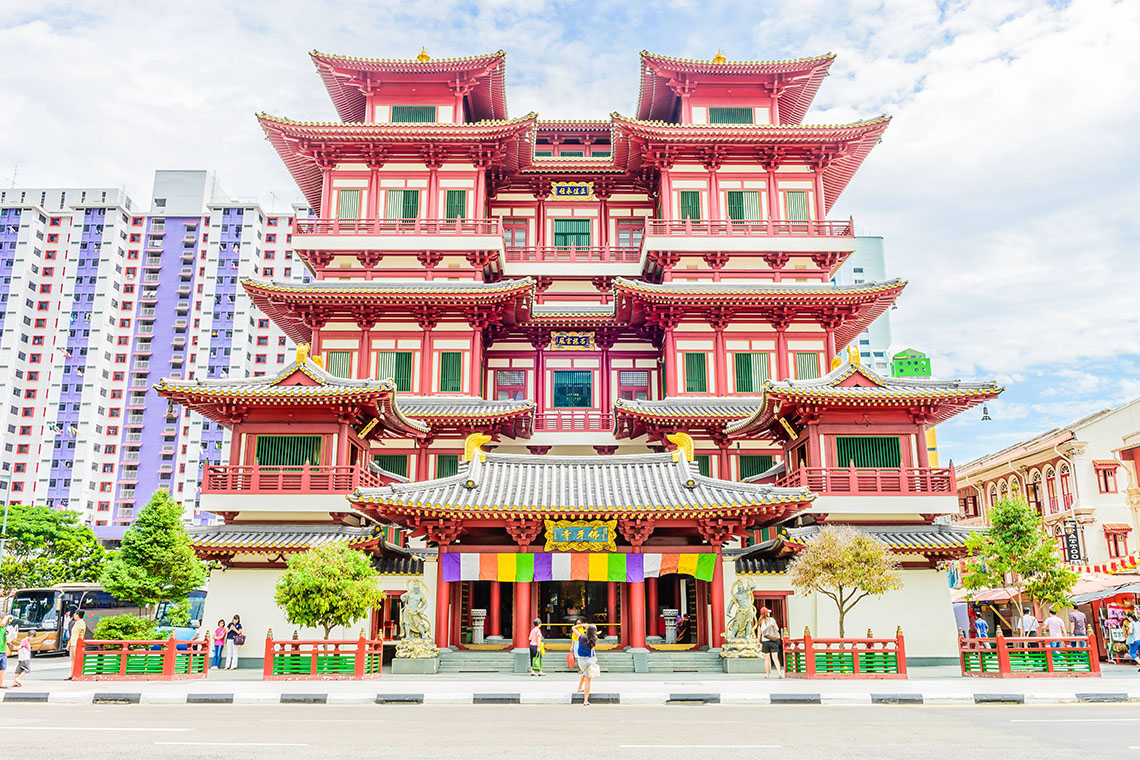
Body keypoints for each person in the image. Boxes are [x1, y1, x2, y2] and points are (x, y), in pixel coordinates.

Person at [575, 623, 599, 706]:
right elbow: (594, 634)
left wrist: (582, 625)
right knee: (588, 680)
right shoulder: (594, 639)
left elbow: (573, 628)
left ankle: (579, 688)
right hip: (589, 661)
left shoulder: (581, 637)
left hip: (581, 660)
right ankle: (585, 701)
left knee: (584, 673)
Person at [757, 607, 783, 679]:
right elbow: (777, 629)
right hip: (773, 641)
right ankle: (779, 673)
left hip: (765, 642)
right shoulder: (771, 620)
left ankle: (767, 675)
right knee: (775, 658)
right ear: (767, 613)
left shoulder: (760, 621)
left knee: (767, 659)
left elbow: (759, 633)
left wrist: (758, 642)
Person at [66, 611, 86, 679]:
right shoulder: (75, 623)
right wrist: (69, 644)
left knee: (77, 660)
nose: (74, 615)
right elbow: (72, 635)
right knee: (73, 660)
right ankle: (71, 674)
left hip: (77, 644)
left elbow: (81, 635)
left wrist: (79, 643)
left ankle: (77, 675)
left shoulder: (82, 623)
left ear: (78, 615)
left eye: (75, 614)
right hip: (72, 643)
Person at [0, 614, 11, 689]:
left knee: (2, 669)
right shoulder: (1, 626)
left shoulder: (4, 628)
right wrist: (8, 616)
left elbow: (6, 640)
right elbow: (2, 623)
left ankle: (1, 684)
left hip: (3, 650)